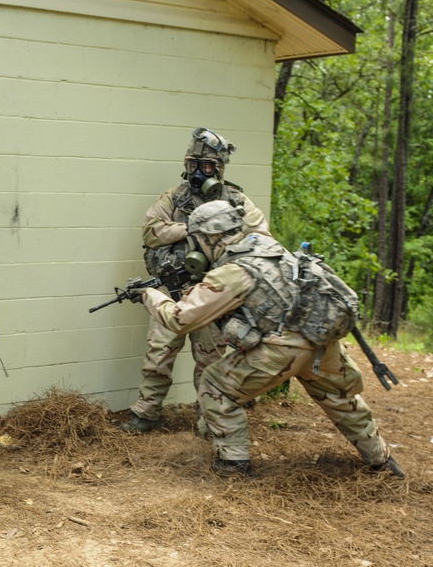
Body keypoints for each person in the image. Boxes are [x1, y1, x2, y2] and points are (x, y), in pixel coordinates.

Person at [139, 199, 405, 477]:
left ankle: (233, 464)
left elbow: (180, 320)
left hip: (281, 350)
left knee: (215, 385)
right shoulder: (270, 247)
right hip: (319, 340)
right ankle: (381, 460)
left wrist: (150, 295)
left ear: (206, 238)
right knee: (338, 397)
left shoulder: (232, 272)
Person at [123, 128, 269, 433]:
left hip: (210, 292)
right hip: (172, 288)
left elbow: (261, 237)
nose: (198, 173)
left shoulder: (236, 201)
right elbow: (151, 231)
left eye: (206, 167)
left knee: (210, 361)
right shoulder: (174, 198)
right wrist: (191, 226)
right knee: (158, 354)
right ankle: (145, 414)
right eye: (193, 165)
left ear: (218, 169)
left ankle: (208, 421)